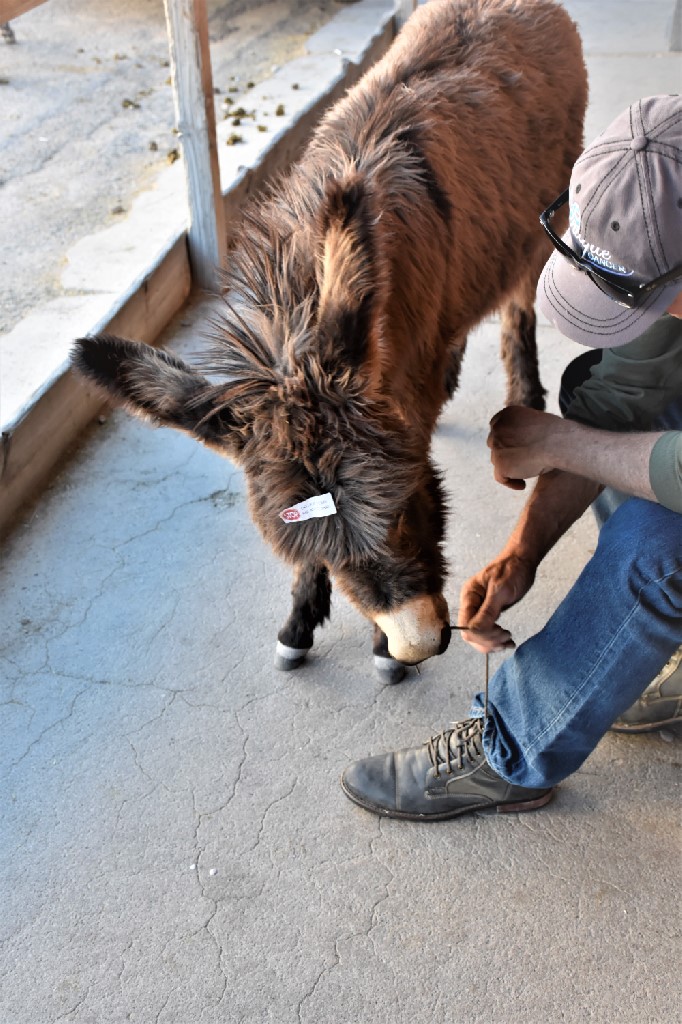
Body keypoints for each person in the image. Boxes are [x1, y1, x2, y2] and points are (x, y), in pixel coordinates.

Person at [341, 94, 682, 820]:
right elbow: (625, 401)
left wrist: (557, 441)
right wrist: (521, 553)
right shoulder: (663, 209)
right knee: (604, 395)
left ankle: (512, 751)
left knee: (658, 543)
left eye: (636, 298)